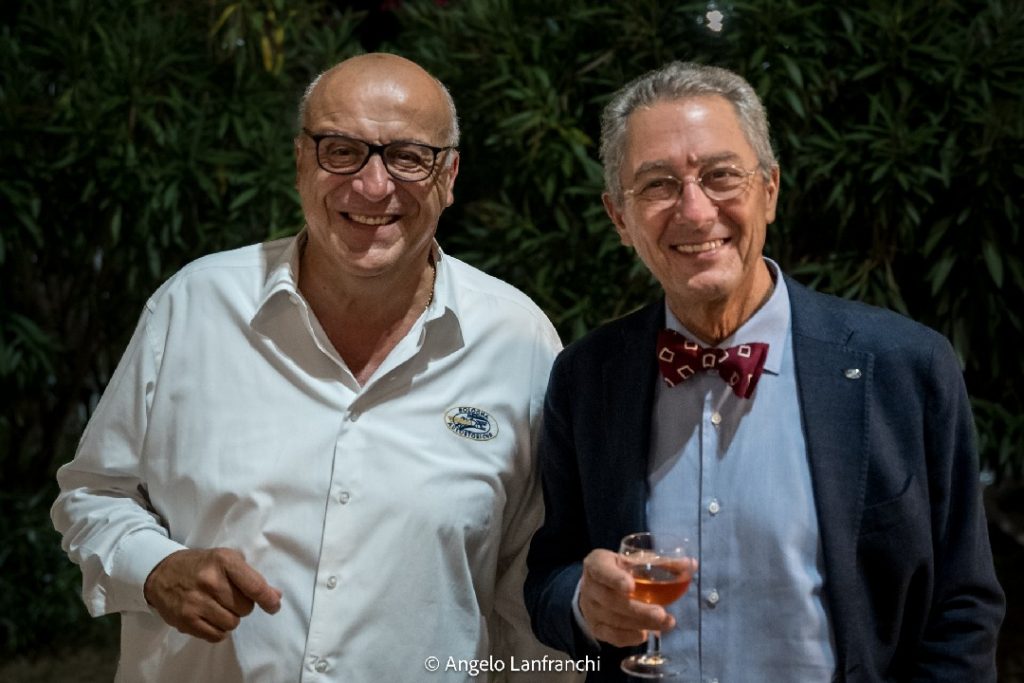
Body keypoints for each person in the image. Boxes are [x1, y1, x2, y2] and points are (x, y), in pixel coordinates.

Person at [52, 53, 577, 682]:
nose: (373, 186)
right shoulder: (193, 307)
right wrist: (154, 568)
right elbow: (95, 493)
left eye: (408, 157)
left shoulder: (518, 341)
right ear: (302, 160)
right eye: (341, 151)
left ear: (449, 175)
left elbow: (530, 592)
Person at [524, 61, 1005, 682]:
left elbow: (962, 606)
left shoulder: (905, 368)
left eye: (721, 175)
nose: (695, 210)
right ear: (620, 218)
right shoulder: (587, 378)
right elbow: (549, 577)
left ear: (770, 190)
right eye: (658, 185)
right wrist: (583, 604)